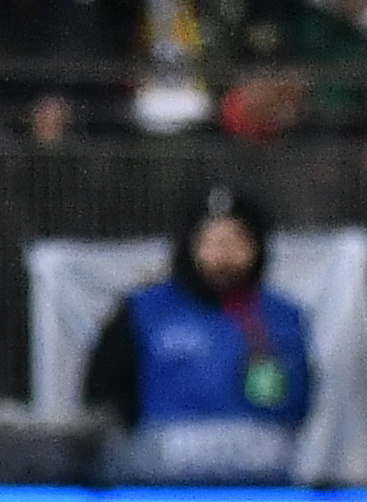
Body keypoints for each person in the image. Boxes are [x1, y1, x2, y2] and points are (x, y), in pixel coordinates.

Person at [83, 187, 313, 484]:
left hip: (258, 481)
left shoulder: (281, 317)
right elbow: (103, 397)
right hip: (160, 479)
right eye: (211, 242)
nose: (223, 255)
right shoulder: (145, 311)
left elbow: (292, 403)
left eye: (236, 241)